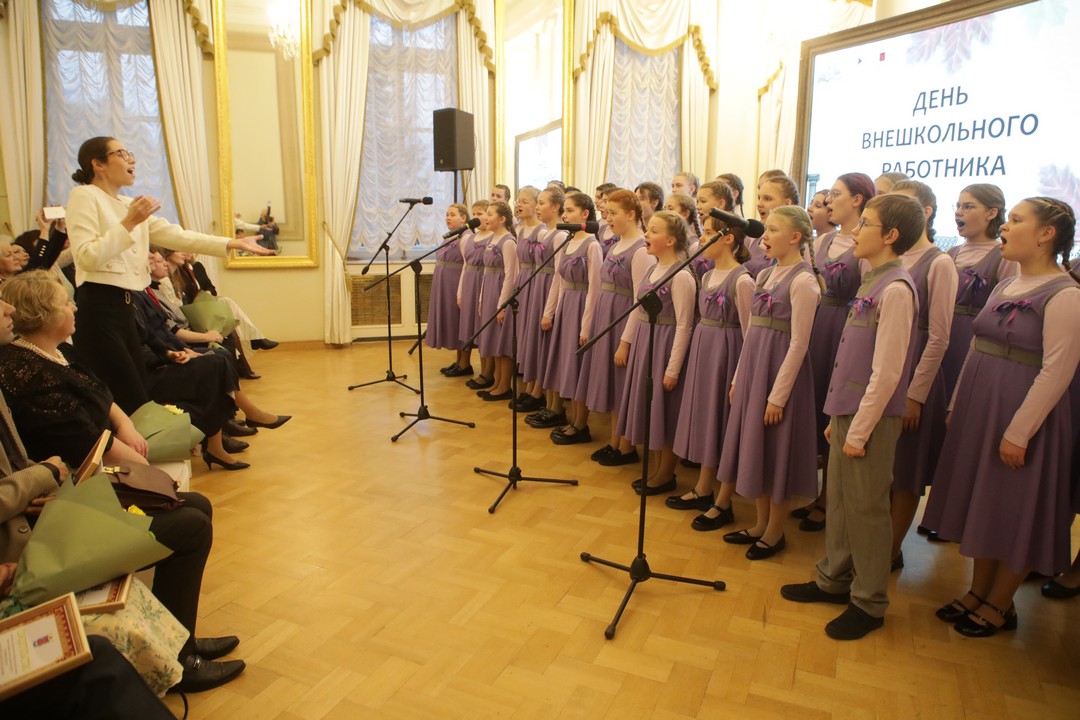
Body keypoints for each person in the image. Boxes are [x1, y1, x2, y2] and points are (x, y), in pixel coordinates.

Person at [0, 286, 244, 692]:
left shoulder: (50, 355)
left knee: (197, 506)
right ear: (43, 314)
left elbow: (101, 396)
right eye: (64, 302)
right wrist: (47, 475)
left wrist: (125, 425)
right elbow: (73, 446)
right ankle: (178, 662)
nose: (74, 305)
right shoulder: (22, 371)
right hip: (42, 524)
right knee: (190, 526)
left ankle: (175, 639)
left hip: (64, 492)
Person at [922, 198, 1080, 637]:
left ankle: (1001, 602)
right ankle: (978, 591)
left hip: (1022, 415)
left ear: (1046, 234)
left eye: (1015, 220)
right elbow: (976, 344)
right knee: (985, 501)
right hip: (982, 406)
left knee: (1015, 506)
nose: (1006, 228)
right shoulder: (1006, 284)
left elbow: (1057, 371)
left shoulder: (1066, 295)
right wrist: (956, 402)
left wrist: (1019, 432)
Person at [781, 193, 922, 640]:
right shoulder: (872, 280)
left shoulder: (896, 289)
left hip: (871, 419)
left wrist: (859, 429)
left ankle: (869, 601)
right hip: (849, 411)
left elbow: (888, 372)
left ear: (891, 235)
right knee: (840, 502)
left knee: (867, 510)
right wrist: (838, 417)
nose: (856, 231)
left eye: (866, 224)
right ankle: (834, 578)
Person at [65, 136, 270, 415]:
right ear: (98, 164)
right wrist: (129, 222)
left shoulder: (127, 203)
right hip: (99, 307)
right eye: (122, 153)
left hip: (126, 307)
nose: (131, 159)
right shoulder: (84, 196)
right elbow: (86, 256)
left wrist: (231, 243)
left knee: (137, 388)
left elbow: (178, 236)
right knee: (126, 392)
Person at [716, 206, 821, 560]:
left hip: (779, 376)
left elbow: (799, 343)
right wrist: (738, 376)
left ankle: (776, 531)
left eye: (774, 230)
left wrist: (778, 397)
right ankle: (760, 524)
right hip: (755, 369)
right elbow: (751, 333)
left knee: (776, 450)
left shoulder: (804, 282)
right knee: (756, 447)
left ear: (795, 237)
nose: (765, 236)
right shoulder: (764, 274)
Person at [799, 173, 875, 532]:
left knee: (837, 411)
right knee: (814, 406)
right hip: (819, 325)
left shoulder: (865, 245)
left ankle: (831, 498)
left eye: (836, 194)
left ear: (857, 200)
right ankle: (815, 491)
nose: (829, 200)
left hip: (847, 326)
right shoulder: (824, 239)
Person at [667, 216, 754, 529]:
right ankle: (703, 488)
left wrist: (739, 375)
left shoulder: (742, 281)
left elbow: (750, 333)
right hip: (705, 351)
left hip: (727, 355)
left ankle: (724, 501)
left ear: (728, 239)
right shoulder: (706, 276)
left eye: (707, 234)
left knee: (724, 423)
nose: (701, 240)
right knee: (707, 420)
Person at [887, 181, 957, 570]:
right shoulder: (889, 257)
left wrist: (916, 394)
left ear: (925, 212)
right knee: (883, 464)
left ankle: (891, 548)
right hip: (887, 367)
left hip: (915, 372)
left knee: (906, 469)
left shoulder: (939, 263)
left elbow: (940, 336)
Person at [618, 211, 696, 495]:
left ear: (671, 240)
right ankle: (655, 469)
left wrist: (672, 369)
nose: (646, 235)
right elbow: (638, 309)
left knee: (665, 410)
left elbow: (684, 325)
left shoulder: (681, 275)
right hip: (646, 342)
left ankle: (666, 473)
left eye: (653, 231)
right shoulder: (652, 269)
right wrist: (627, 341)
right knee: (651, 409)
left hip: (665, 345)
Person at [582, 189, 653, 466]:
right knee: (612, 383)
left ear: (631, 214)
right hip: (607, 317)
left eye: (613, 213)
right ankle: (615, 441)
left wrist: (626, 341)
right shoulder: (616, 244)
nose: (608, 218)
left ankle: (627, 447)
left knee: (623, 384)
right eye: (607, 212)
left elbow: (639, 300)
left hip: (624, 320)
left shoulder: (641, 250)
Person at [939, 183, 1015, 399]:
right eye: (958, 206)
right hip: (942, 334)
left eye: (968, 207)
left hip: (973, 341)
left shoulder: (1003, 256)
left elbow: (1005, 312)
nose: (959, 212)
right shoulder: (950, 253)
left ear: (992, 213)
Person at [540, 192, 602, 444]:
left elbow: (595, 288)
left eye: (570, 210)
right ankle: (571, 419)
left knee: (578, 367)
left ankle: (581, 424)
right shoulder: (566, 241)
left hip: (582, 306)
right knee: (566, 364)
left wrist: (586, 326)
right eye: (564, 210)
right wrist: (550, 311)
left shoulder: (593, 245)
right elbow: (559, 279)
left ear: (585, 214)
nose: (565, 215)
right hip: (567, 305)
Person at [521, 189, 568, 425]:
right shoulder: (545, 232)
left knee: (550, 349)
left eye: (541, 203)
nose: (538, 208)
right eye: (537, 203)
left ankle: (556, 407)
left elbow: (560, 275)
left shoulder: (560, 235)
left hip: (551, 290)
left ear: (556, 207)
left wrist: (551, 309)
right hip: (540, 287)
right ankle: (547, 404)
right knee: (541, 347)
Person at [475, 202, 519, 401]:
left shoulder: (508, 242)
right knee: (493, 338)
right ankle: (497, 382)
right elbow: (486, 271)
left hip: (501, 292)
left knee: (502, 341)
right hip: (490, 290)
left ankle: (504, 386)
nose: (486, 217)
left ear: (502, 219)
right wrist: (481, 299)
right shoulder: (493, 238)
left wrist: (503, 304)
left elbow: (511, 275)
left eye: (490, 214)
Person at [508, 187, 544, 407]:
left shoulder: (542, 231)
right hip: (523, 282)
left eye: (525, 201)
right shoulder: (520, 230)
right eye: (518, 201)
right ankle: (528, 386)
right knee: (524, 336)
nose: (519, 205)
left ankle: (537, 390)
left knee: (535, 337)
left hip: (537, 283)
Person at [430, 204, 470, 376]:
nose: (448, 218)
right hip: (445, 285)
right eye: (447, 214)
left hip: (456, 284)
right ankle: (459, 361)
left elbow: (467, 264)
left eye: (453, 215)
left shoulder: (466, 237)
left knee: (460, 322)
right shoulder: (452, 235)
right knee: (453, 322)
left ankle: (465, 363)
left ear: (464, 218)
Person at [457, 200, 492, 389]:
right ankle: (475, 367)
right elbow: (465, 265)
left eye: (481, 214)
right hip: (470, 283)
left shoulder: (493, 237)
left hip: (484, 282)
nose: (477, 218)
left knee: (484, 329)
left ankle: (488, 372)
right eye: (475, 214)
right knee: (470, 326)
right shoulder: (468, 238)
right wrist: (460, 292)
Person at [746, 176, 799, 278]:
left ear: (787, 204)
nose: (759, 204)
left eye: (767, 199)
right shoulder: (756, 238)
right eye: (759, 198)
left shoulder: (799, 244)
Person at [690, 181, 736, 279]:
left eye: (703, 201)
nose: (698, 207)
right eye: (697, 202)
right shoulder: (704, 235)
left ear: (721, 204)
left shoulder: (734, 232)